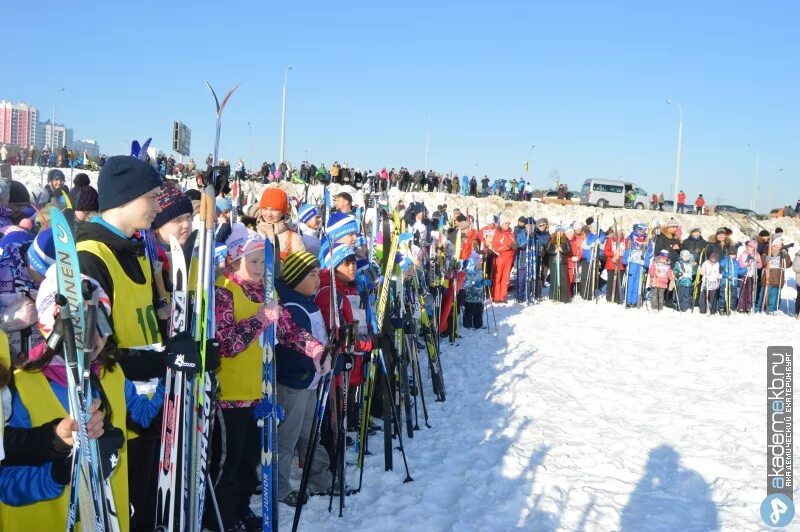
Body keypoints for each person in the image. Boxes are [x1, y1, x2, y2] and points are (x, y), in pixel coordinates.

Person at [0, 272, 162, 529]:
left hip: (106, 519)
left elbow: (144, 418)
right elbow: (6, 483)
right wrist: (60, 473)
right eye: (80, 324)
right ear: (50, 328)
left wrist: (176, 376)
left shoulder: (110, 373)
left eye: (100, 321)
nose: (94, 336)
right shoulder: (21, 387)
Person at [210, 223, 280, 529]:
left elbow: (287, 329)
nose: (258, 268)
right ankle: (219, 518)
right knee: (228, 462)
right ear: (234, 260)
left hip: (258, 390)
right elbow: (226, 344)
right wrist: (259, 320)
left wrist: (317, 350)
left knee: (251, 461)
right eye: (252, 261)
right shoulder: (224, 290)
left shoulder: (266, 291)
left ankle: (240, 511)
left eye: (263, 262)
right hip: (230, 394)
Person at [275, 251, 334, 506]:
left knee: (310, 435)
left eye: (316, 274)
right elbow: (287, 348)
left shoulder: (307, 303)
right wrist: (310, 364)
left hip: (311, 382)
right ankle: (279, 487)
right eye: (310, 275)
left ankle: (320, 480)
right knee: (286, 439)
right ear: (295, 278)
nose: (316, 280)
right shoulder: (292, 306)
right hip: (294, 384)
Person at [256, 188, 305, 261]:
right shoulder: (252, 233)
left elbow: (301, 268)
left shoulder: (292, 238)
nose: (269, 214)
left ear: (283, 211)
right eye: (265, 208)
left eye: (274, 210)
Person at [756, 238, 792, 314]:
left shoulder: (782, 255)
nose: (777, 248)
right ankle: (758, 308)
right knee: (762, 295)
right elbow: (760, 264)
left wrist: (786, 254)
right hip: (766, 278)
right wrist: (765, 259)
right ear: (772, 246)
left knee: (773, 297)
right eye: (775, 246)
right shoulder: (767, 253)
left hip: (777, 279)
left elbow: (788, 264)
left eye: (779, 247)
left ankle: (771, 309)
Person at [490, 216, 516, 304]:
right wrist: (508, 247)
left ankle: (503, 297)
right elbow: (495, 247)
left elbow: (514, 247)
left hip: (509, 259)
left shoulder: (511, 234)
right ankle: (496, 297)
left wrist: (515, 247)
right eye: (505, 223)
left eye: (508, 223)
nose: (507, 225)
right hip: (500, 258)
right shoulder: (498, 233)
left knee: (506, 278)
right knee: (498, 277)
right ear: (502, 224)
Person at [545, 225, 571, 303]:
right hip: (554, 262)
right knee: (554, 279)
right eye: (558, 231)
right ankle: (554, 296)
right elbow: (548, 250)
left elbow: (568, 250)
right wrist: (554, 251)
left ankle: (564, 298)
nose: (560, 233)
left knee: (564, 279)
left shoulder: (566, 240)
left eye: (562, 231)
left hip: (562, 262)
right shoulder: (551, 239)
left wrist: (562, 250)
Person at [462, 251, 485, 328]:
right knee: (469, 312)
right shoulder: (469, 272)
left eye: (481, 264)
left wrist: (483, 282)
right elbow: (466, 283)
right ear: (474, 264)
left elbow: (480, 281)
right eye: (478, 264)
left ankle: (478, 325)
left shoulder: (480, 272)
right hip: (470, 298)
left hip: (478, 297)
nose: (480, 265)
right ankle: (467, 325)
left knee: (479, 311)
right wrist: (475, 283)